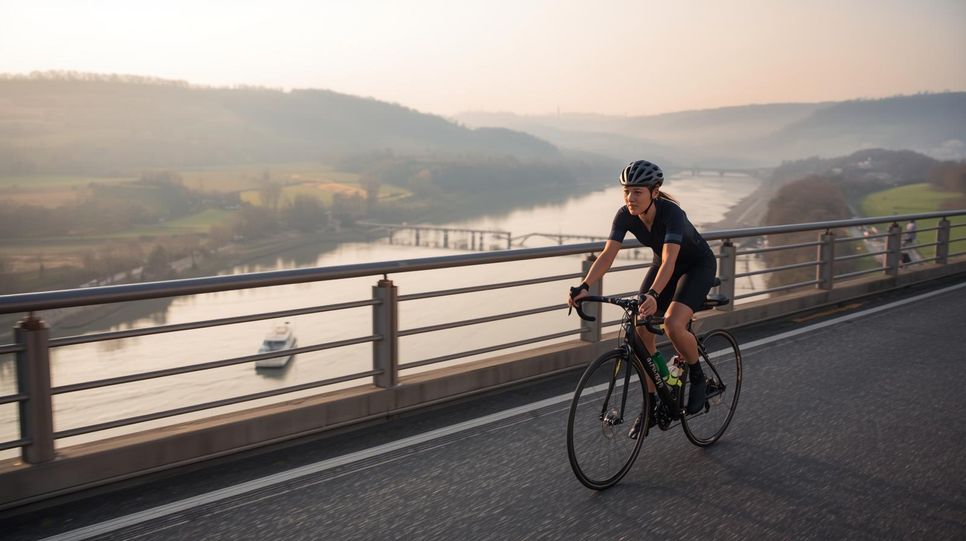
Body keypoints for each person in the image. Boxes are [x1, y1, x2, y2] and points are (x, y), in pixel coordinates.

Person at [567, 160, 718, 438]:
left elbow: (671, 260)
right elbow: (608, 254)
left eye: (637, 192)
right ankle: (653, 403)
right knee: (639, 331)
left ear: (654, 192)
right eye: (627, 191)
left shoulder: (672, 214)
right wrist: (585, 285)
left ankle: (697, 376)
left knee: (673, 324)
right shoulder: (625, 214)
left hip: (696, 267)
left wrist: (653, 294)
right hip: (663, 266)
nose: (630, 198)